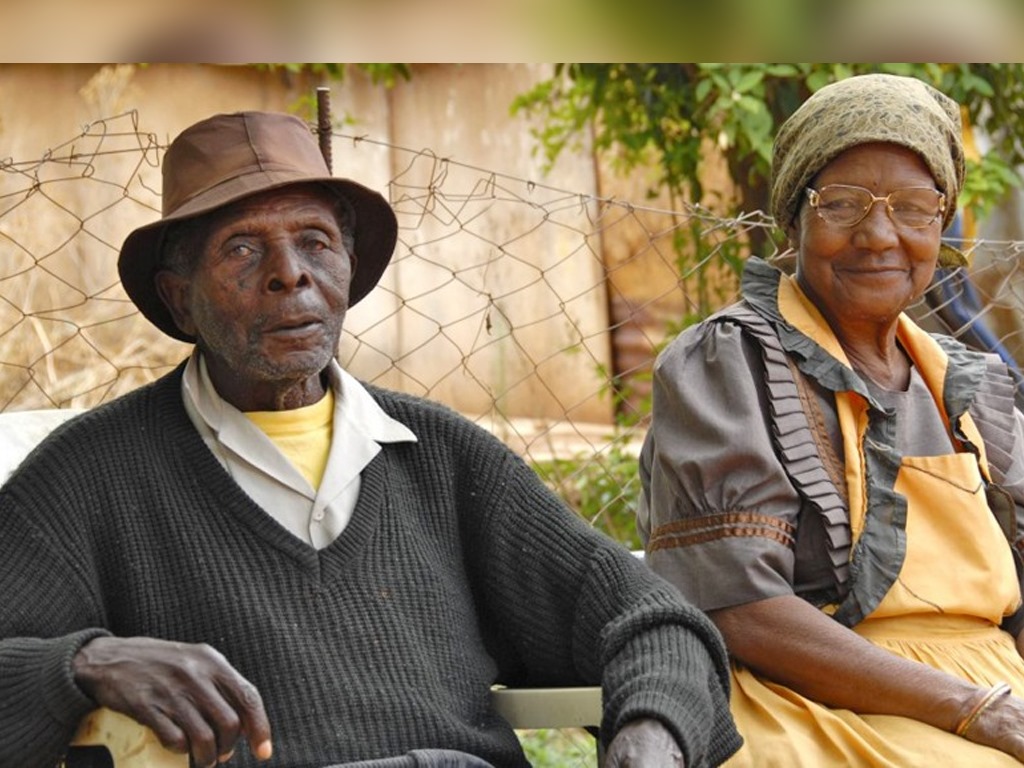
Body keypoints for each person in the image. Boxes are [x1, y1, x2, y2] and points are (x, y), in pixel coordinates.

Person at [0, 111, 742, 768]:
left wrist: (652, 735)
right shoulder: (88, 476)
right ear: (178, 297)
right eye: (241, 252)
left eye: (315, 242)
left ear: (348, 269)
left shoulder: (443, 458)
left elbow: (649, 619)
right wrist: (86, 662)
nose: (290, 276)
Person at [637, 73, 1024, 766]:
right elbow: (743, 610)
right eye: (842, 205)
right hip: (824, 701)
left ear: (942, 222)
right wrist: (972, 710)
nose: (879, 236)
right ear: (795, 217)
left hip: (1001, 696)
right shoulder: (729, 362)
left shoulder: (968, 383)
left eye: (913, 207)